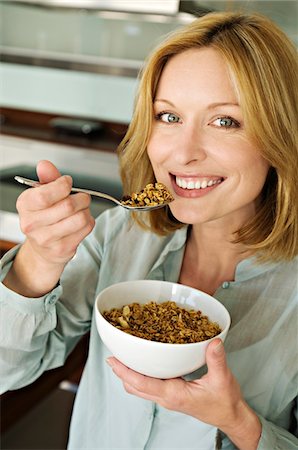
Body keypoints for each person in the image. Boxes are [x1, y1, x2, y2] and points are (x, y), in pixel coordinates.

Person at [1, 10, 297, 450]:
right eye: (169, 117)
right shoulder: (123, 232)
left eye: (225, 121)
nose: (184, 152)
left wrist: (240, 424)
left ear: (280, 134)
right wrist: (35, 265)